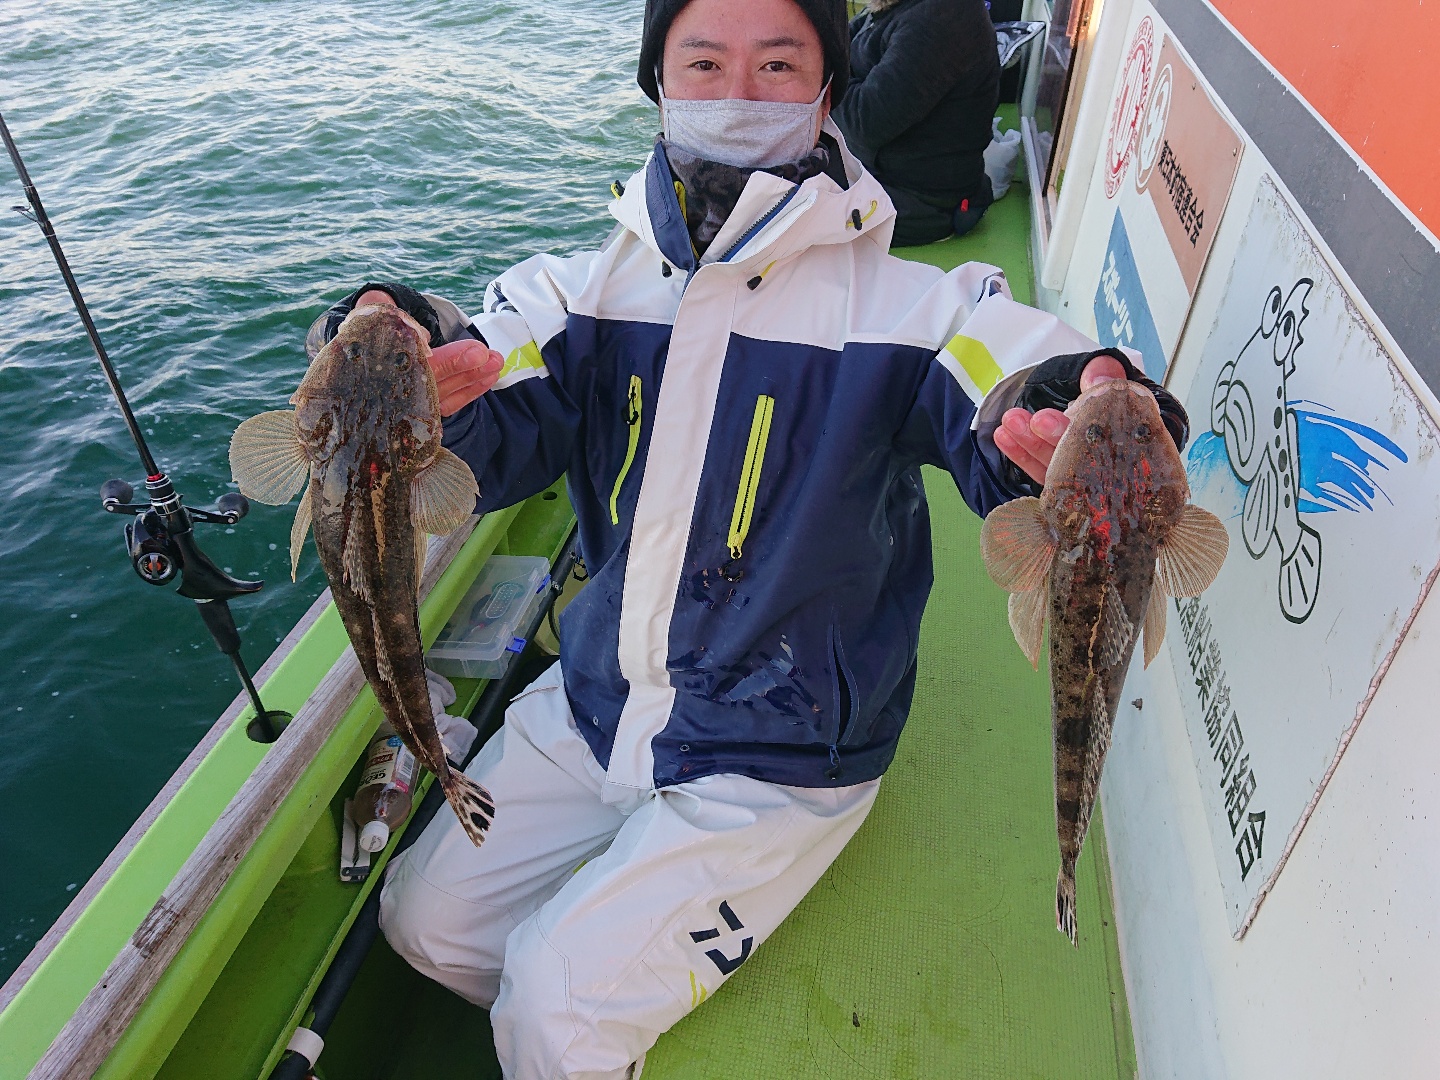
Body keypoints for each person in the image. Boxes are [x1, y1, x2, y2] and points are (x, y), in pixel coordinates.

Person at [312, 0, 1185, 1075]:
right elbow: (483, 404)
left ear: (828, 93)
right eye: (705, 61)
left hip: (781, 746)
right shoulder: (581, 293)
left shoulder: (914, 307)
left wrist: (1071, 404)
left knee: (552, 1013)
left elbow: (1008, 383)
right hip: (598, 699)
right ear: (660, 81)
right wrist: (394, 333)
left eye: (778, 62)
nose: (737, 92)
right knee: (425, 925)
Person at [832, 0, 1002, 246]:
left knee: (778, 216)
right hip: (870, 176)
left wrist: (822, 76)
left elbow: (863, 121)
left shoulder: (942, 18)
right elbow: (838, 44)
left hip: (913, 204)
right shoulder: (898, 6)